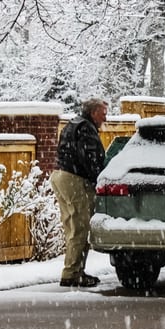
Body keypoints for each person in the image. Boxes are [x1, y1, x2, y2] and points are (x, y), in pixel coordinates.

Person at [50, 98, 108, 287]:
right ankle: (72, 274)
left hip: (60, 175)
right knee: (80, 228)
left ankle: (75, 270)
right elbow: (90, 159)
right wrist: (98, 179)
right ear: (93, 113)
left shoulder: (72, 124)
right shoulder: (86, 129)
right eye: (103, 113)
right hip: (75, 179)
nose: (105, 117)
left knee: (72, 227)